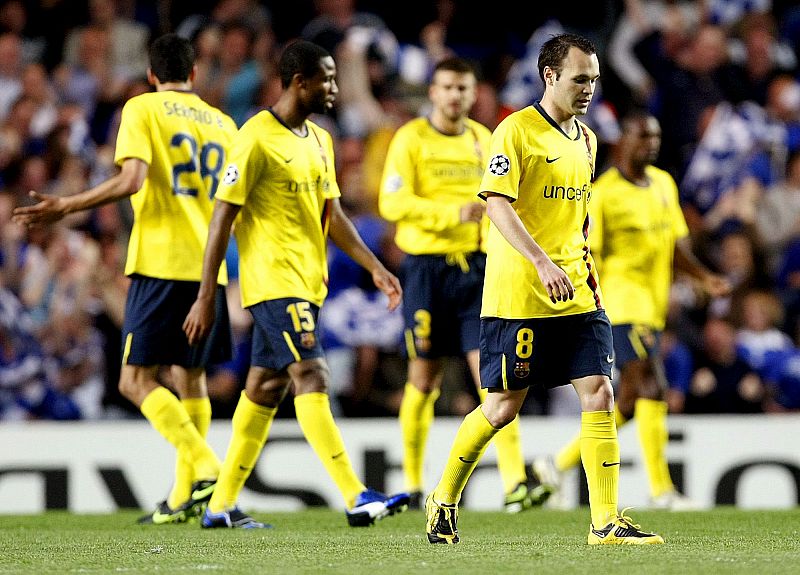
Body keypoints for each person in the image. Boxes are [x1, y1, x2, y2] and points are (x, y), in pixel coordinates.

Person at [424, 33, 664, 545]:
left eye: (595, 80)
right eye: (580, 79)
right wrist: (539, 261)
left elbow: (575, 220)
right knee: (502, 406)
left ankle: (604, 522)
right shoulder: (515, 131)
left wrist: (581, 266)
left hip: (576, 290)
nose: (589, 90)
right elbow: (495, 203)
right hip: (519, 294)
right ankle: (443, 499)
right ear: (550, 76)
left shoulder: (588, 138)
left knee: (599, 392)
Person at [183, 39, 409, 529]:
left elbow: (333, 215)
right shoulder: (256, 137)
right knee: (313, 375)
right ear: (298, 81)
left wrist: (374, 266)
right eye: (326, 78)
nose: (334, 87)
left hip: (309, 283)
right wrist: (207, 295)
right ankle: (355, 495)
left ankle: (220, 506)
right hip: (272, 282)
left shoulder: (321, 140)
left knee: (264, 388)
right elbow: (222, 218)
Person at [12, 33, 236, 523]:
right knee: (190, 379)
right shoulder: (224, 124)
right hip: (208, 270)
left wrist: (67, 205)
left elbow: (133, 179)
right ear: (194, 74)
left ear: (152, 75)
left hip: (160, 263)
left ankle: (206, 467)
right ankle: (183, 500)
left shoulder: (143, 108)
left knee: (135, 381)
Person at [532, 111, 731, 510]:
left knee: (626, 402)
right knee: (653, 386)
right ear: (623, 139)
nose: (651, 144)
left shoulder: (663, 183)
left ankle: (555, 465)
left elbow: (675, 244)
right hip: (620, 305)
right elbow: (590, 253)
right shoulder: (603, 192)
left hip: (652, 307)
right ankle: (661, 491)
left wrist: (703, 277)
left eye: (656, 137)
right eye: (643, 137)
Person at [379, 57, 544, 513]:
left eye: (464, 88)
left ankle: (515, 484)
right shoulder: (410, 138)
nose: (456, 96)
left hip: (477, 269)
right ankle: (412, 483)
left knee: (495, 379)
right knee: (424, 378)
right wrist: (451, 213)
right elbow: (391, 202)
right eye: (448, 87)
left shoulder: (482, 139)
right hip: (427, 269)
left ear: (474, 94)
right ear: (432, 92)